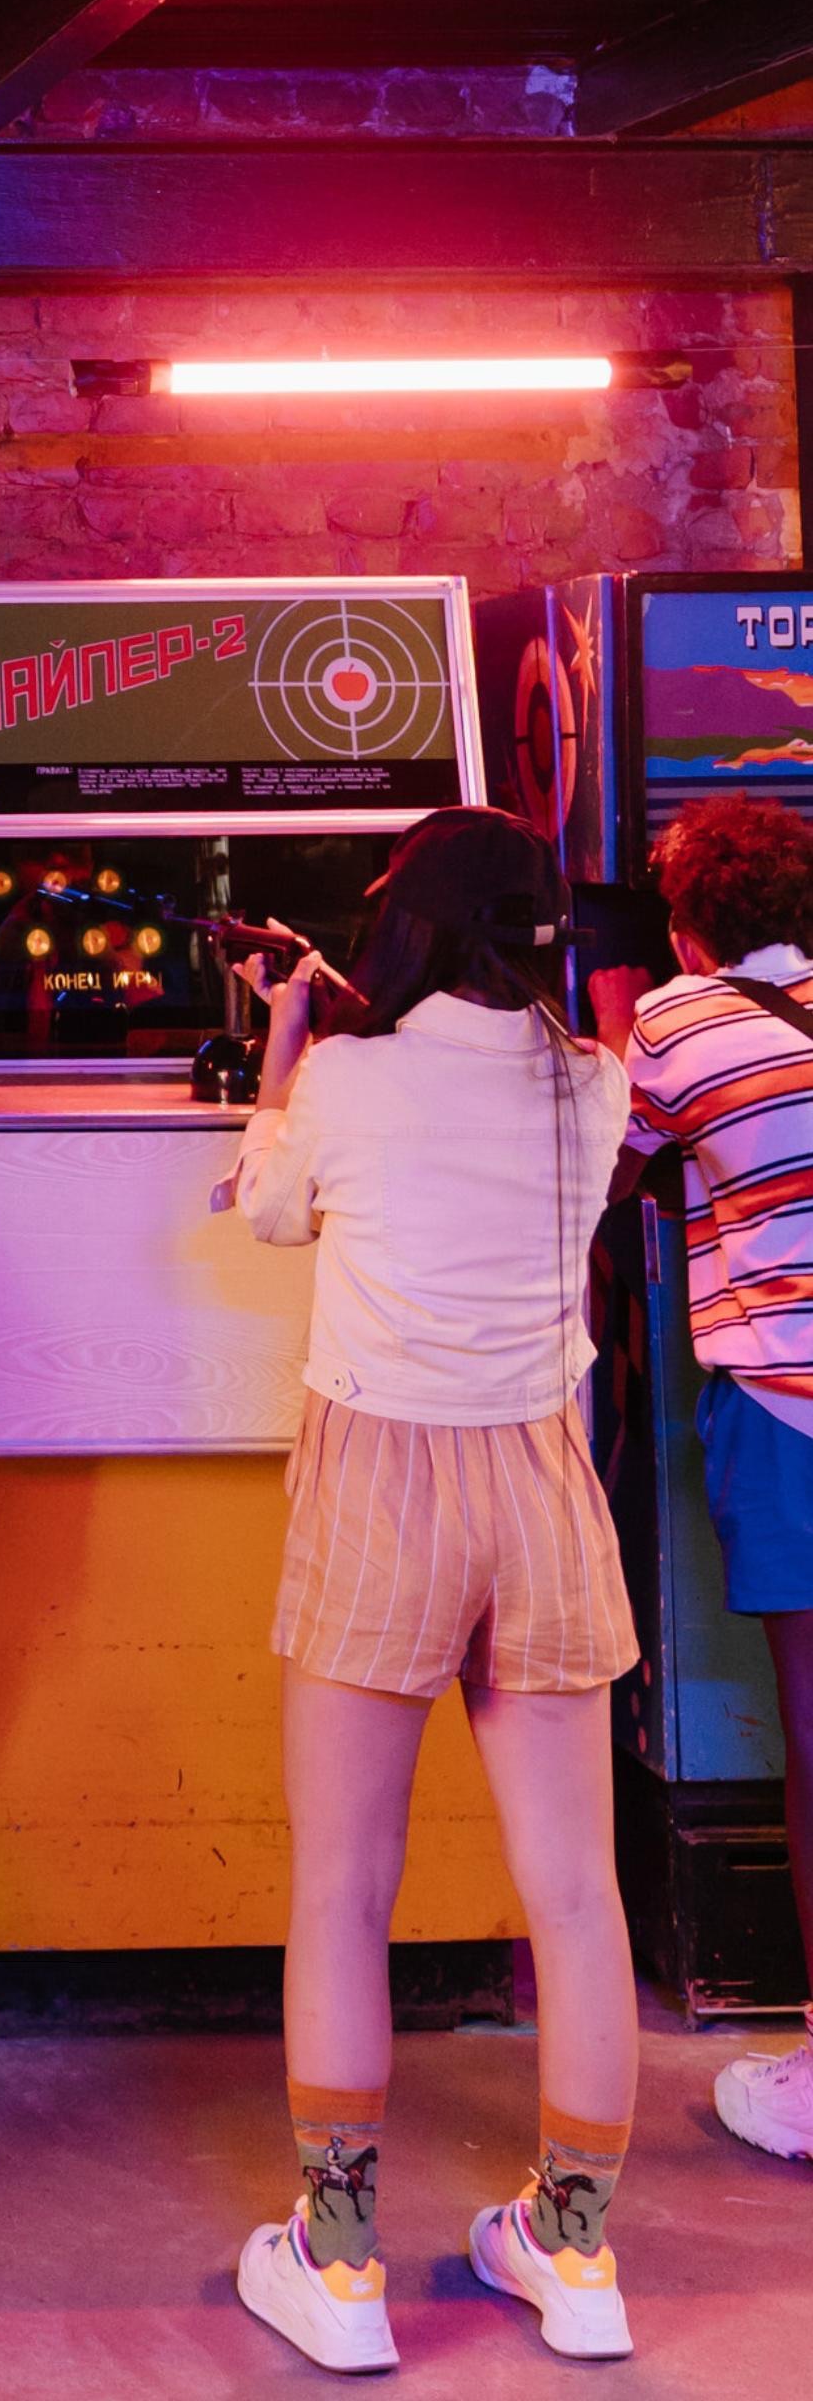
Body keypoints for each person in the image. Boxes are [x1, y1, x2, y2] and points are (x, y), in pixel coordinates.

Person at [230, 806, 638, 2372]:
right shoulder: (592, 1083)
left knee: (344, 1885)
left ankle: (341, 2268)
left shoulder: (351, 1075)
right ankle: (576, 2250)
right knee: (577, 1891)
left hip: (384, 1480)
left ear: (405, 918)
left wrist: (286, 1044)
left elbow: (274, 1208)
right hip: (540, 1479)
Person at [588, 791, 813, 2167]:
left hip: (789, 1408)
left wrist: (619, 1020)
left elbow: (602, 1171)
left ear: (686, 926)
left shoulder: (679, 1022)